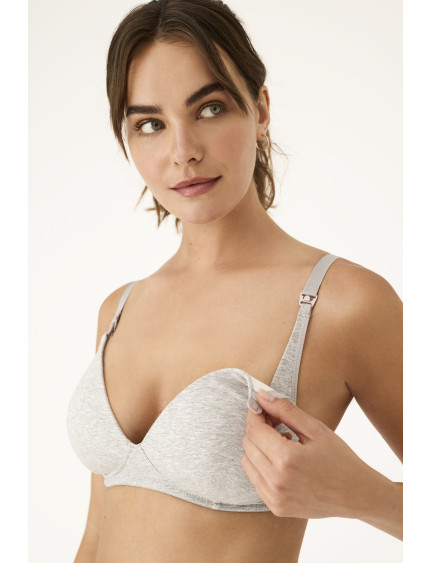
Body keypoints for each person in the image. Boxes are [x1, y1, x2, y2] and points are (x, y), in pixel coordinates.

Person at [66, 0, 402, 561]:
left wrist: (362, 496)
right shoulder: (118, 310)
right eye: (150, 124)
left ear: (261, 109)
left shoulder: (342, 303)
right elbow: (96, 536)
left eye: (211, 108)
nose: (183, 152)